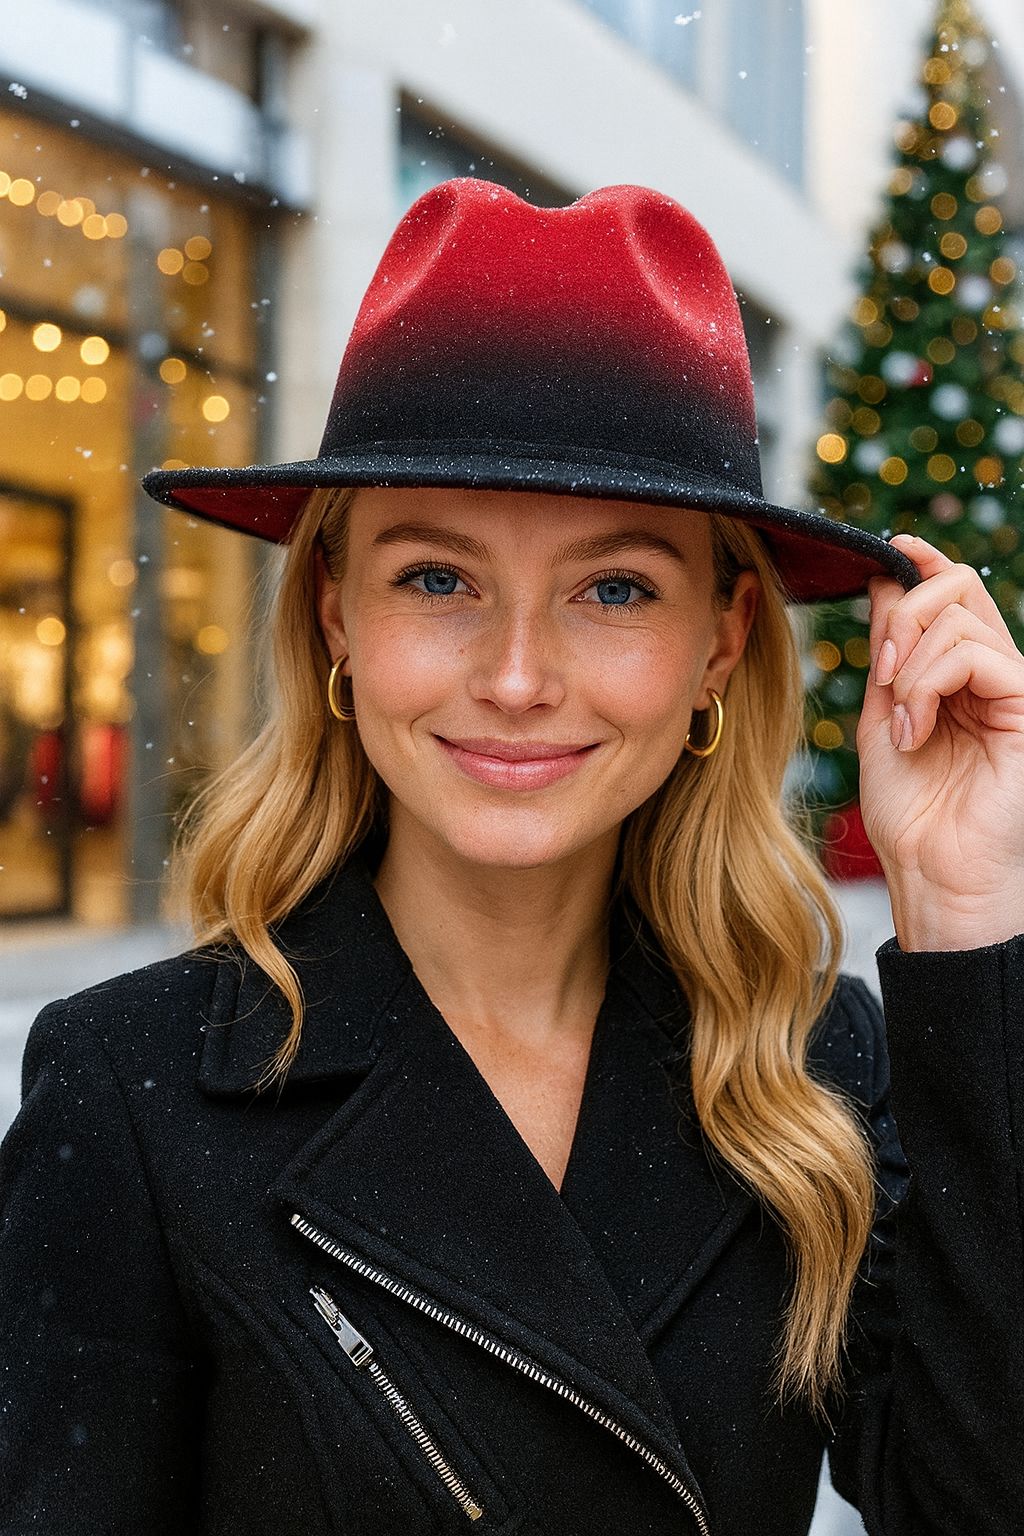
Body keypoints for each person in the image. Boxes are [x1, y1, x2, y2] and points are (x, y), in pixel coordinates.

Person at [1, 177, 1022, 1536]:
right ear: (335, 619)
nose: (521, 676)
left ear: (721, 645)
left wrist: (968, 911)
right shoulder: (132, 1088)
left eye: (615, 589)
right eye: (437, 578)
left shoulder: (810, 1065)